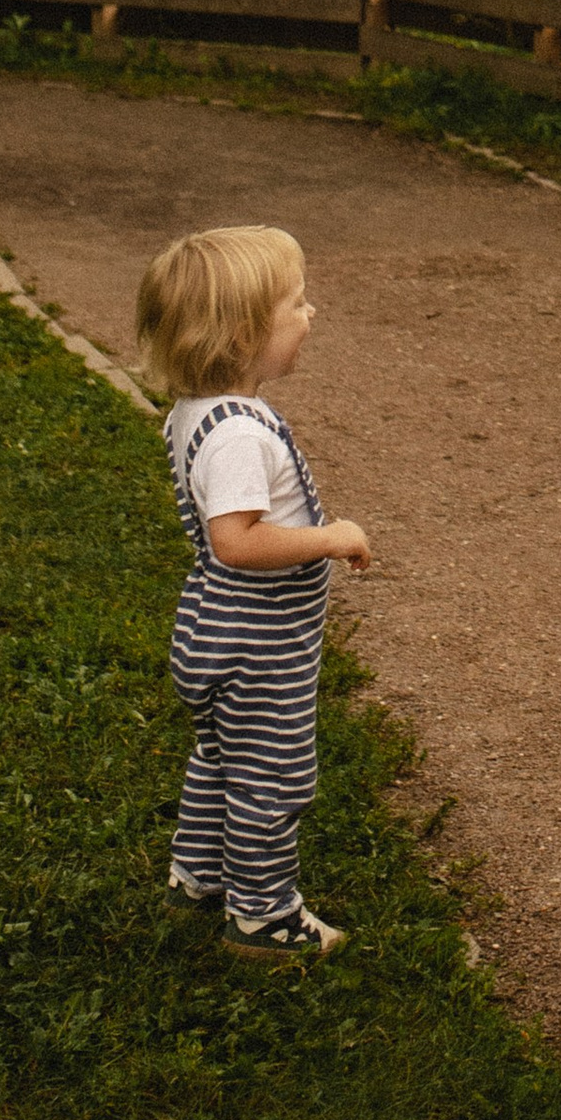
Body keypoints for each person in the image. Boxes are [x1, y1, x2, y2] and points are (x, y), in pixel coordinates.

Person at [133, 222, 373, 959]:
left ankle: (198, 875)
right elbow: (235, 543)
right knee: (272, 778)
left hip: (216, 634)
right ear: (242, 334)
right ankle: (264, 917)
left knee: (219, 754)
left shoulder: (199, 413)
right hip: (255, 645)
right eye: (296, 305)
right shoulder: (239, 437)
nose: (311, 316)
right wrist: (332, 538)